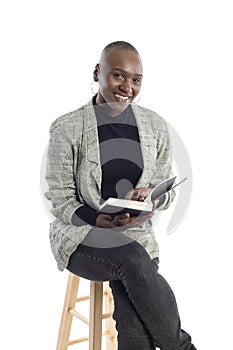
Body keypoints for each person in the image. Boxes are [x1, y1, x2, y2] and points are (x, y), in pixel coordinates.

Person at [45, 41, 196, 350]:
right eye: (118, 76)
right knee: (133, 261)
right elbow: (60, 200)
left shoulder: (155, 126)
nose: (127, 86)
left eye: (135, 79)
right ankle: (181, 347)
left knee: (131, 302)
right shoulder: (67, 128)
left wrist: (151, 198)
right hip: (81, 235)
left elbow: (166, 192)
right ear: (98, 73)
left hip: (135, 234)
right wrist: (97, 218)